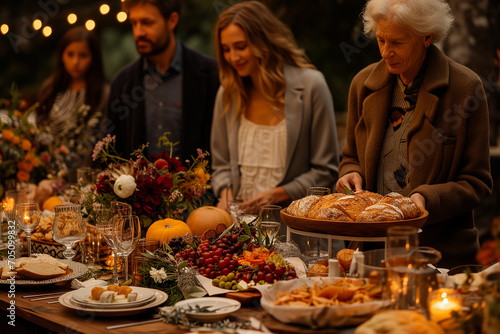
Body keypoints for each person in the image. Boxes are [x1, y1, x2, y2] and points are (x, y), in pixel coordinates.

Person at [336, 0, 493, 268]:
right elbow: (350, 156)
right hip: (369, 253)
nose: (386, 52)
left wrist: (426, 199)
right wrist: (349, 173)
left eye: (397, 43)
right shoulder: (362, 85)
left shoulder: (465, 88)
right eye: (381, 40)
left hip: (439, 256)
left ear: (426, 37)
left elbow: (477, 182)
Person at [211, 1, 339, 214]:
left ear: (264, 41)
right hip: (239, 228)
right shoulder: (227, 94)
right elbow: (221, 167)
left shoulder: (311, 86)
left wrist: (277, 195)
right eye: (226, 49)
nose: (233, 57)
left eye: (241, 46)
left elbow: (325, 170)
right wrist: (226, 195)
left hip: (296, 226)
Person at [105, 0, 219, 161]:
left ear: (172, 20)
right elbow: (112, 152)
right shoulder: (123, 83)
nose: (139, 32)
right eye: (134, 23)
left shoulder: (209, 74)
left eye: (147, 23)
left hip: (200, 184)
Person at [37, 26, 109, 181]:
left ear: (93, 58)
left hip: (85, 180)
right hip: (47, 177)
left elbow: (98, 142)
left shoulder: (103, 95)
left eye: (83, 55)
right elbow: (38, 133)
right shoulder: (50, 89)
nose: (75, 62)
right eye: (70, 54)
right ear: (61, 55)